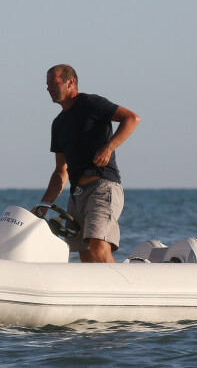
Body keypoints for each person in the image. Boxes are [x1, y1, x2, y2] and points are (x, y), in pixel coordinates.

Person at [36, 64, 140, 263]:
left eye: (54, 83)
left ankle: (120, 291)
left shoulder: (91, 103)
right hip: (76, 196)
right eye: (47, 84)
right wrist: (43, 206)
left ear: (70, 82)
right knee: (84, 255)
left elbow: (131, 118)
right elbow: (60, 172)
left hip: (103, 188)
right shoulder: (58, 124)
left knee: (98, 248)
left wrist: (108, 148)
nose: (49, 88)